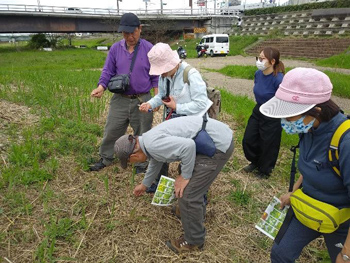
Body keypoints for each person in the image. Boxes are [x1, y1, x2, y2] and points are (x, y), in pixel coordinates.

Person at [259, 67, 350, 263]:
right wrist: (294, 192)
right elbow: (313, 165)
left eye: (289, 116)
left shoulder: (345, 140)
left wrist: (347, 253)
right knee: (280, 254)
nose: (284, 121)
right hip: (307, 204)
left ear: (316, 111)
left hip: (340, 219)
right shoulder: (308, 128)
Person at [114, 115, 234, 253]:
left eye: (129, 162)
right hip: (212, 138)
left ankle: (194, 241)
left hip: (217, 145)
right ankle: (191, 214)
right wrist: (145, 185)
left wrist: (185, 176)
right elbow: (157, 159)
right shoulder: (147, 141)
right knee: (185, 175)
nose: (133, 164)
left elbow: (188, 146)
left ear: (133, 156)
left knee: (189, 194)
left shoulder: (153, 144)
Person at [89, 13, 158, 172]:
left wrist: (156, 99)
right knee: (112, 129)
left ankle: (141, 163)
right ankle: (106, 157)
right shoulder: (115, 48)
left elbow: (156, 76)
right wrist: (101, 87)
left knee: (142, 132)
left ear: (140, 29)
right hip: (120, 98)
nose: (130, 36)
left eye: (133, 32)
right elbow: (107, 71)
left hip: (142, 99)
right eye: (126, 33)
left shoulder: (149, 48)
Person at [139, 42, 212, 192]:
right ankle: (158, 182)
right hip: (172, 121)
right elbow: (161, 96)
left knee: (190, 155)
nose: (162, 73)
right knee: (161, 150)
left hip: (192, 124)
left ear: (173, 62)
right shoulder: (164, 76)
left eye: (163, 69)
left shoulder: (190, 74)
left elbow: (200, 104)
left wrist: (177, 107)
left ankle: (189, 188)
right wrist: (150, 104)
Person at [242, 47, 285, 178]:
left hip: (273, 112)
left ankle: (265, 170)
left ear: (272, 61)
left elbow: (283, 99)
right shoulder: (258, 74)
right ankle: (255, 161)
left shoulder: (279, 79)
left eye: (262, 58)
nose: (259, 61)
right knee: (249, 138)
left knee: (269, 143)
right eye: (258, 58)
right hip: (259, 109)